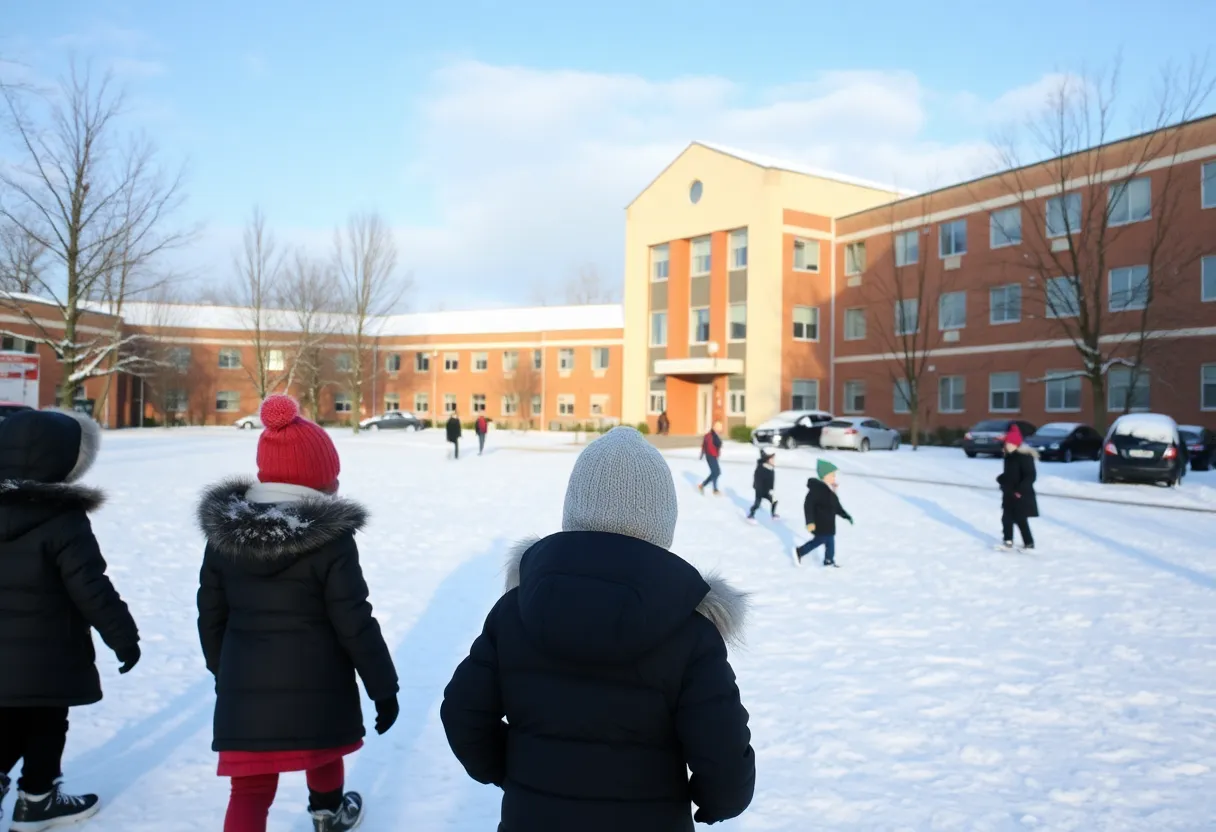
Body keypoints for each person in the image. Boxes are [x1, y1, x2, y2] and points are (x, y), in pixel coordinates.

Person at [441, 427, 756, 832]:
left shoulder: (514, 612)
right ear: (662, 523)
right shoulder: (691, 634)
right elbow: (725, 759)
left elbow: (462, 714)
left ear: (573, 510)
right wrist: (714, 803)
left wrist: (516, 773)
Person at [196, 395, 399, 832]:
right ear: (319, 481)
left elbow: (209, 612)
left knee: (249, 790)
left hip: (245, 686)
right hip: (318, 682)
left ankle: (324, 814)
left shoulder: (224, 537)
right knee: (323, 748)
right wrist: (383, 685)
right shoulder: (330, 539)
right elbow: (354, 619)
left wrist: (223, 669)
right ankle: (327, 814)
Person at [0, 409, 140, 830]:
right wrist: (124, 636)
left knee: (6, 720)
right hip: (50, 654)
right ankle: (37, 799)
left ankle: (35, 798)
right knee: (46, 723)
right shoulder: (63, 518)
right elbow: (90, 586)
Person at [793, 459, 853, 568]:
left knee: (830, 542)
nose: (834, 478)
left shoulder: (829, 490)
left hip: (829, 523)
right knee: (819, 541)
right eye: (832, 475)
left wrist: (846, 515)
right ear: (824, 476)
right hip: (820, 523)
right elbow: (808, 506)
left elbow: (835, 506)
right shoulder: (816, 489)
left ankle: (829, 560)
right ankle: (799, 551)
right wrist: (810, 522)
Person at [996, 424, 1038, 551]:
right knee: (1006, 518)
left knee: (1021, 519)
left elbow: (1030, 476)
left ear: (1015, 444)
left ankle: (1029, 543)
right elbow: (1010, 474)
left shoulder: (1025, 458)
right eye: (1005, 443)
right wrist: (1001, 478)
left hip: (1021, 494)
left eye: (1008, 443)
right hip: (1009, 493)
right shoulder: (1009, 457)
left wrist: (1020, 490)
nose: (1006, 445)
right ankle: (1008, 541)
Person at [746, 449, 778, 522]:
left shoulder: (770, 467)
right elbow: (758, 481)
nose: (773, 461)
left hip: (766, 490)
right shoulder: (761, 468)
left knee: (774, 501)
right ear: (767, 460)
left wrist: (770, 489)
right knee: (757, 504)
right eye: (772, 459)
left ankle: (773, 515)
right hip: (760, 490)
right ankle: (750, 515)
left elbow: (771, 480)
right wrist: (760, 490)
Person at [697, 420, 724, 495]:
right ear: (715, 427)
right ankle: (702, 485)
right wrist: (702, 454)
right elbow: (706, 446)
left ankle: (715, 489)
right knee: (716, 472)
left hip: (714, 456)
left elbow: (717, 445)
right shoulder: (709, 435)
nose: (720, 429)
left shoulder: (715, 435)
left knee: (715, 472)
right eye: (719, 427)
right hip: (710, 456)